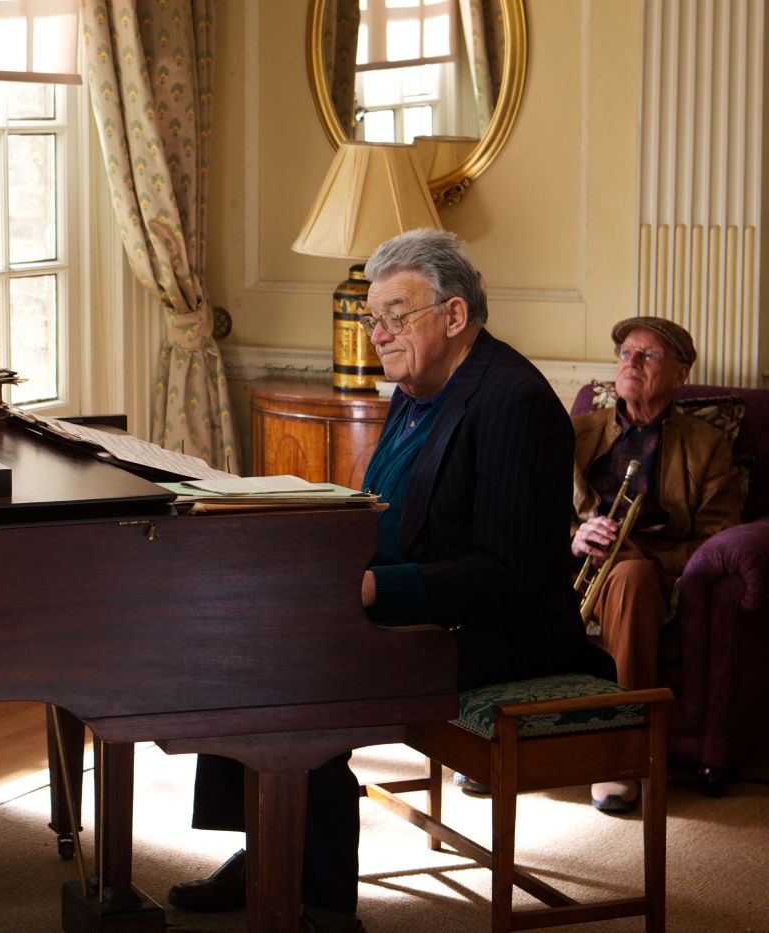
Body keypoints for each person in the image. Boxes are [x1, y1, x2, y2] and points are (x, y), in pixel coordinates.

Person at [167, 228, 614, 932]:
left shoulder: (513, 403)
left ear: (455, 315)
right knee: (246, 635)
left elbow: (509, 575)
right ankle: (268, 847)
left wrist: (377, 592)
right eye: (373, 317)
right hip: (417, 602)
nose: (376, 334)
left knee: (310, 664)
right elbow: (386, 512)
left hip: (503, 632)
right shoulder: (416, 387)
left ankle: (327, 901)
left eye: (394, 315)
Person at [571, 316, 741, 811]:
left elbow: (719, 541)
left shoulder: (708, 446)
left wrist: (640, 553)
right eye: (625, 353)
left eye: (647, 356)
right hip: (574, 557)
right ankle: (496, 744)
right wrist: (575, 536)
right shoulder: (575, 432)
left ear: (679, 374)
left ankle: (619, 759)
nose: (631, 363)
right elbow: (530, 508)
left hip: (644, 568)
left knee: (630, 577)